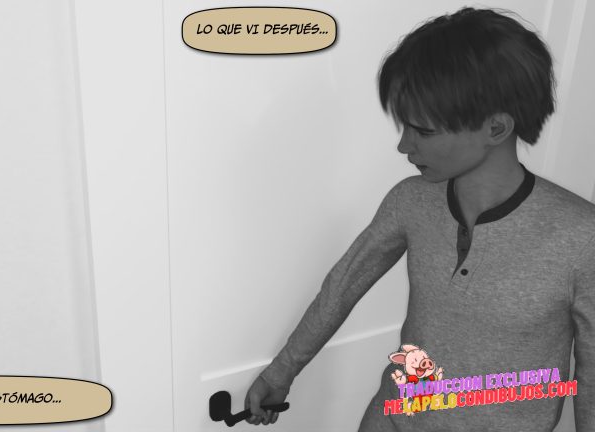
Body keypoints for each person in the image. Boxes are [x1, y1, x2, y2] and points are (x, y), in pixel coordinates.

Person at [244, 6, 595, 431]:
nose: (404, 146)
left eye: (424, 131)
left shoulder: (581, 238)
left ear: (496, 128)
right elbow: (342, 287)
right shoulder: (409, 201)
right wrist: (281, 372)